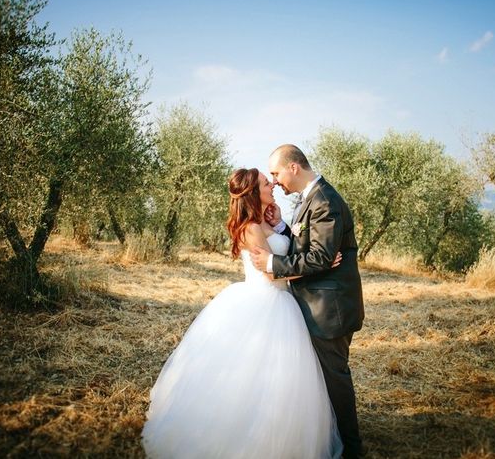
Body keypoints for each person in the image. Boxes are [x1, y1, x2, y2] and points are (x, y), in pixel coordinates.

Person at [141, 167, 343, 459]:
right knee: (254, 373)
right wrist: (321, 264)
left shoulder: (267, 222)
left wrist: (283, 227)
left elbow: (286, 255)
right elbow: (273, 275)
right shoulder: (250, 228)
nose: (272, 184)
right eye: (265, 182)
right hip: (265, 302)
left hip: (283, 303)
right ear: (252, 192)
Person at [249, 144, 365, 459]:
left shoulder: (325, 200)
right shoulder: (312, 198)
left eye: (275, 173)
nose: (274, 182)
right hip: (317, 304)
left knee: (335, 379)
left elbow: (320, 257)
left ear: (293, 168)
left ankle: (352, 450)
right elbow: (311, 247)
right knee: (322, 378)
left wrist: (272, 265)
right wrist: (284, 227)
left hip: (330, 310)